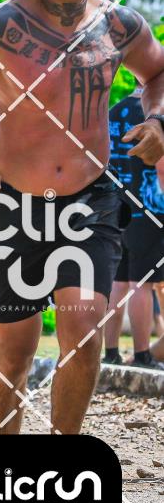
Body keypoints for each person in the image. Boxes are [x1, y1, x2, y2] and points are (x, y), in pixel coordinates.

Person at [0, 0, 164, 434]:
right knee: (13, 353)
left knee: (84, 336)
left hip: (89, 201)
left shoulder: (120, 25)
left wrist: (157, 119)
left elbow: (157, 73)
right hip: (10, 204)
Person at [103, 87, 164, 369]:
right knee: (143, 284)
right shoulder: (154, 116)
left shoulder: (113, 111)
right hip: (148, 209)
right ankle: (142, 355)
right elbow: (161, 168)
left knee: (117, 283)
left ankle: (111, 353)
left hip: (115, 209)